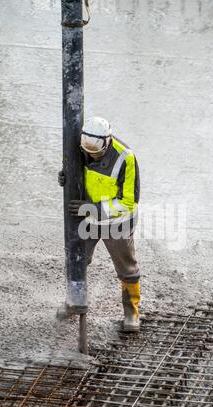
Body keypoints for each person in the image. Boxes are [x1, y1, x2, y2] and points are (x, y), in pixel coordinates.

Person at [58, 117, 141, 332]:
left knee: (127, 268)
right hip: (88, 218)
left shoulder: (125, 158)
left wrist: (94, 208)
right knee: (76, 259)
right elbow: (78, 175)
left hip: (116, 221)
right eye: (88, 151)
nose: (92, 156)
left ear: (107, 142)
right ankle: (73, 300)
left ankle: (131, 312)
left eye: (96, 152)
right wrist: (65, 178)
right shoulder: (80, 148)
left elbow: (129, 200)